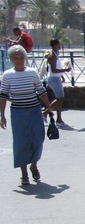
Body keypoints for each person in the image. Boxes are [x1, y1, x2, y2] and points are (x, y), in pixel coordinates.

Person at [0, 45, 55, 185]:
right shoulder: (7, 75)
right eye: (16, 58)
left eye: (21, 58)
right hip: (18, 113)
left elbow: (41, 91)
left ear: (25, 58)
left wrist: (48, 107)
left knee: (37, 139)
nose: (19, 61)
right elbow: (3, 96)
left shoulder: (32, 73)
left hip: (34, 111)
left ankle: (34, 166)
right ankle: (24, 173)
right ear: (11, 60)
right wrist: (2, 115)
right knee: (21, 143)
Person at [45, 39, 72, 127]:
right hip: (54, 79)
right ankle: (58, 119)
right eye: (59, 44)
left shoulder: (55, 54)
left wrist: (61, 75)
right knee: (60, 98)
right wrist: (65, 70)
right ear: (55, 45)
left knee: (60, 98)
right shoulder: (53, 56)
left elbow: (56, 68)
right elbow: (53, 70)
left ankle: (46, 113)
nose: (60, 46)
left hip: (56, 78)